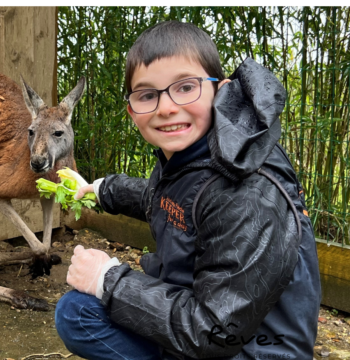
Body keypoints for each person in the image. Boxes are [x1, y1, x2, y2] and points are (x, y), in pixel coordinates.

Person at [55, 21, 321, 360]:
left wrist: (109, 280)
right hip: (205, 323)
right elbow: (164, 199)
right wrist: (98, 188)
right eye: (148, 95)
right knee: (77, 311)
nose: (166, 108)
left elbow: (216, 331)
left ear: (220, 90)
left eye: (185, 87)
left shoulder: (250, 192)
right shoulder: (193, 157)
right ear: (132, 109)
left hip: (245, 347)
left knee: (82, 308)